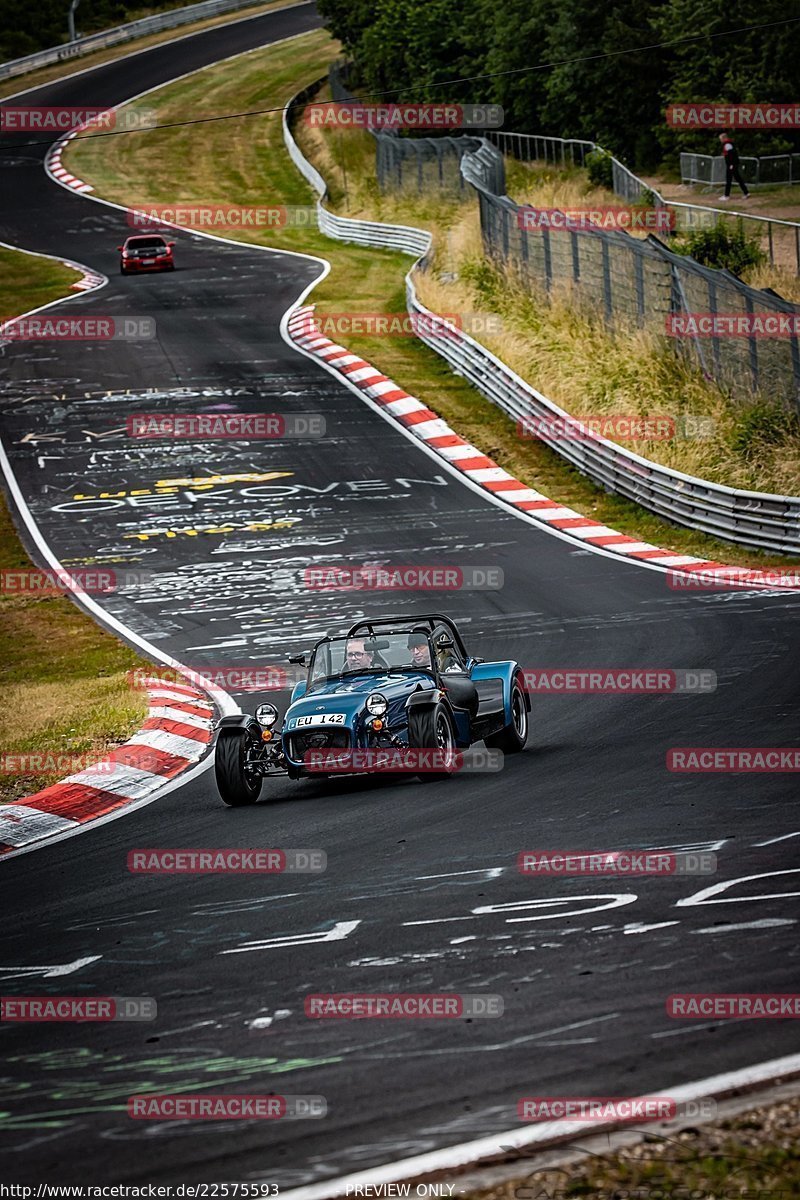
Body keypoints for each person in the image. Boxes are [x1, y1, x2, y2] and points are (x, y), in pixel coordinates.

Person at [718, 132, 749, 201]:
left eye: (721, 139)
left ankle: (726, 195)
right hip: (732, 164)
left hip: (731, 164)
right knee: (738, 178)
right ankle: (746, 192)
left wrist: (731, 164)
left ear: (724, 138)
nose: (720, 141)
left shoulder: (727, 144)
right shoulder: (729, 144)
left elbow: (732, 155)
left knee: (729, 179)